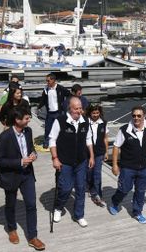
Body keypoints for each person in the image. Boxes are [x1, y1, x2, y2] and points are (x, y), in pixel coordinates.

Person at [0, 107, 45, 251]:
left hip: (27, 174)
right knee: (10, 204)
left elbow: (30, 148)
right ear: (17, 120)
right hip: (11, 176)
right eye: (27, 118)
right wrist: (19, 162)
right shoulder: (4, 137)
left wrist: (33, 154)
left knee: (31, 204)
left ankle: (33, 237)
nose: (29, 120)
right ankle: (11, 229)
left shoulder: (28, 131)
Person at [49, 96, 95, 227]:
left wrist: (91, 156)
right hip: (65, 162)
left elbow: (89, 139)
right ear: (70, 108)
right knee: (65, 188)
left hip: (81, 161)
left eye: (81, 108)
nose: (79, 111)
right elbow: (52, 140)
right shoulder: (61, 120)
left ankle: (79, 215)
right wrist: (55, 158)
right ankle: (58, 208)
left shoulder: (85, 121)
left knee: (81, 188)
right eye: (76, 108)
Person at [108, 106, 146, 224]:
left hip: (144, 168)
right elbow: (116, 147)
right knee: (124, 188)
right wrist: (114, 165)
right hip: (127, 167)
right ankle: (115, 202)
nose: (136, 118)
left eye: (139, 116)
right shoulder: (124, 130)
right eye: (134, 115)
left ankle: (137, 212)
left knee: (140, 191)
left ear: (144, 116)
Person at [38, 73, 70, 149]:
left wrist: (66, 105)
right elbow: (43, 99)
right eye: (46, 81)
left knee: (60, 129)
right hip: (50, 112)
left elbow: (69, 94)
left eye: (48, 81)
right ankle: (46, 142)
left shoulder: (60, 88)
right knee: (48, 129)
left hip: (59, 112)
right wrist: (39, 107)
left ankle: (60, 143)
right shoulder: (46, 89)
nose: (47, 82)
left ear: (53, 80)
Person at [85, 104, 109, 207]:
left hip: (99, 152)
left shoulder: (103, 123)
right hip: (86, 152)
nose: (95, 115)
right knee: (89, 172)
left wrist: (106, 152)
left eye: (97, 113)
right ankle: (90, 188)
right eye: (93, 113)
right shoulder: (85, 122)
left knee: (97, 174)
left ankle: (98, 194)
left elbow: (105, 138)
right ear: (90, 113)